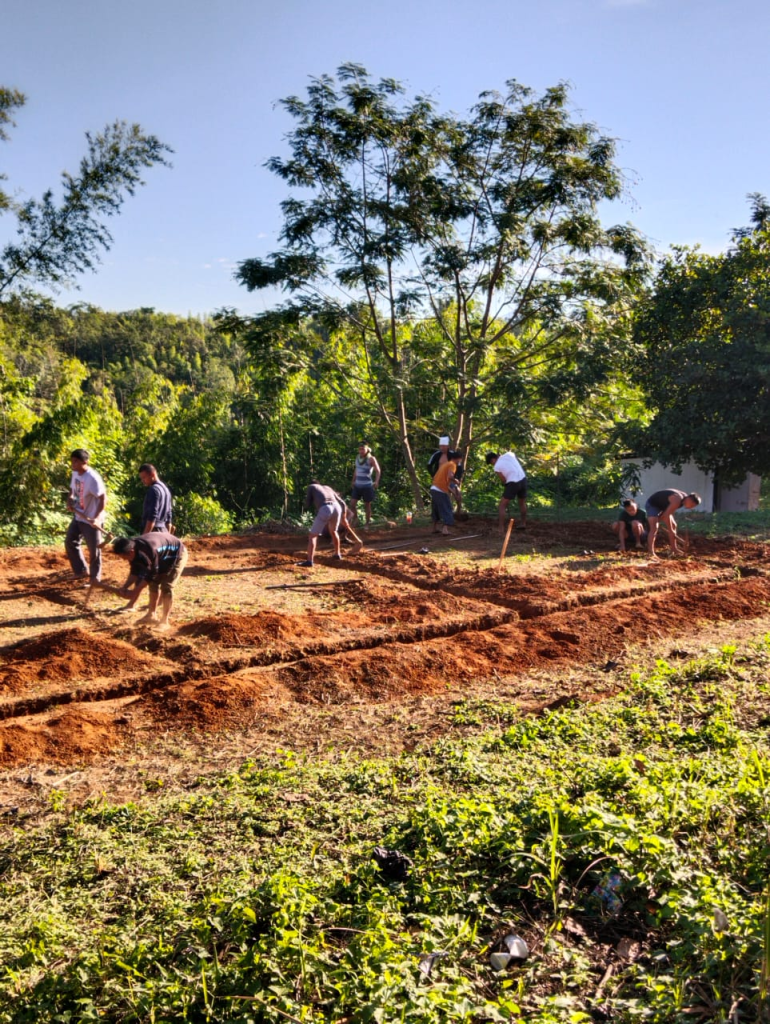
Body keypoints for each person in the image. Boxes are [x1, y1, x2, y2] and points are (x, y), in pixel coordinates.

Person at [112, 530, 188, 629]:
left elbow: (151, 574)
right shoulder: (132, 548)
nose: (124, 560)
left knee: (166, 587)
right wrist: (125, 587)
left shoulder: (149, 551)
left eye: (124, 557)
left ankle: (164, 621)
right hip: (162, 555)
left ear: (131, 552)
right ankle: (151, 615)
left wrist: (135, 591)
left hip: (176, 554)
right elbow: (135, 571)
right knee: (153, 584)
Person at [65, 448, 107, 584]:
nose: (73, 464)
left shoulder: (93, 478)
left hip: (91, 519)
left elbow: (103, 498)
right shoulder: (75, 474)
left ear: (85, 462)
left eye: (76, 461)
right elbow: (72, 490)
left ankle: (95, 578)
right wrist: (70, 500)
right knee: (70, 542)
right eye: (72, 461)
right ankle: (81, 570)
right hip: (79, 515)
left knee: (94, 550)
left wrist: (96, 518)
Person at [645, 489, 701, 559]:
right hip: (653, 504)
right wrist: (657, 521)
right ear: (689, 500)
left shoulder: (684, 499)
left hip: (663, 506)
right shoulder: (677, 500)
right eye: (692, 505)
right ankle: (651, 553)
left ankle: (674, 549)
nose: (691, 508)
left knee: (673, 525)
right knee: (654, 528)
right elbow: (665, 516)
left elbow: (667, 513)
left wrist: (671, 529)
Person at [299, 482, 342, 567]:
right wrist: (344, 514)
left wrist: (305, 506)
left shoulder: (311, 486)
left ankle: (309, 561)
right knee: (334, 531)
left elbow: (308, 503)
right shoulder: (327, 487)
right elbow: (340, 500)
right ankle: (337, 554)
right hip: (337, 507)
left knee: (312, 536)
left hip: (326, 508)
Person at [486, 450, 528, 534]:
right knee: (522, 503)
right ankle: (523, 523)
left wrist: (505, 484)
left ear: (493, 459)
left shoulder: (497, 466)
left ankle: (500, 528)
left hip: (513, 482)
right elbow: (511, 455)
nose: (492, 464)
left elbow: (503, 479)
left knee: (502, 505)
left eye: (491, 463)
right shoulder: (509, 454)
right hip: (523, 480)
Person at [428, 435, 464, 511]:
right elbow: (429, 465)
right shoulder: (436, 455)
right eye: (440, 446)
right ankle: (440, 512)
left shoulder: (453, 455)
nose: (442, 448)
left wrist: (457, 478)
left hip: (451, 478)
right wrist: (433, 475)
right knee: (440, 496)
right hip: (439, 479)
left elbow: (459, 468)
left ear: (447, 446)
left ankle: (459, 511)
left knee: (457, 494)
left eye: (443, 446)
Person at [350, 442, 381, 527]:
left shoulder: (371, 459)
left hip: (367, 486)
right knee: (352, 504)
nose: (361, 451)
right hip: (357, 485)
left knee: (367, 505)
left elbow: (378, 470)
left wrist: (376, 481)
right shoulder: (357, 458)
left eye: (363, 449)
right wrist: (353, 480)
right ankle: (355, 519)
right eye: (360, 449)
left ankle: (367, 523)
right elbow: (356, 470)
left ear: (367, 449)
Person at [430, 449, 460, 535]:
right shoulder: (452, 465)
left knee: (436, 509)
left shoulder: (445, 465)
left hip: (434, 488)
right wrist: (456, 481)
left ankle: (434, 528)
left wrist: (454, 494)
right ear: (458, 459)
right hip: (440, 490)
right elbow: (450, 476)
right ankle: (445, 530)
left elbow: (446, 485)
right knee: (447, 508)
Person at [139, 463, 173, 534]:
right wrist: (168, 536)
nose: (142, 481)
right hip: (164, 531)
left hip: (153, 532)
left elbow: (152, 516)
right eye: (141, 478)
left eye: (144, 477)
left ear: (152, 474)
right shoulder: (166, 490)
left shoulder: (153, 490)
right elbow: (169, 517)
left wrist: (144, 537)